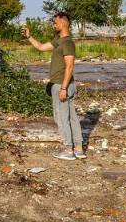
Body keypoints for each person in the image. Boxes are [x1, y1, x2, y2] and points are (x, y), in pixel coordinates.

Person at [23, 12, 85, 160]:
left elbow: (70, 66)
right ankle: (78, 149)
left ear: (64, 23)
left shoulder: (68, 43)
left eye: (55, 22)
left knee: (62, 117)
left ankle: (68, 150)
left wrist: (63, 88)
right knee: (71, 117)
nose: (53, 24)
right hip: (61, 84)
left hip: (61, 85)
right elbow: (41, 47)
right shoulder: (59, 40)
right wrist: (29, 36)